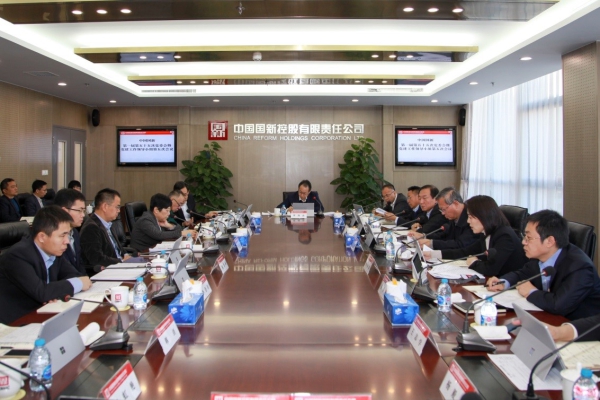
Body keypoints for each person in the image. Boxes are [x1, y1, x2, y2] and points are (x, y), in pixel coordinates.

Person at [487, 210, 600, 320]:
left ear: (549, 241)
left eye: (529, 238)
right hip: (546, 316)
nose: (523, 242)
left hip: (575, 326)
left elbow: (558, 305)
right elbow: (521, 274)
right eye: (524, 236)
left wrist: (531, 292)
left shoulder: (580, 268)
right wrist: (504, 282)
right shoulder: (539, 256)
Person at [0, 206, 92, 324]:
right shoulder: (17, 256)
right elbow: (42, 292)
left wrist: (55, 293)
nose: (67, 241)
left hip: (45, 313)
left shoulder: (54, 252)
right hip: (16, 322)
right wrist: (53, 292)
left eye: (68, 235)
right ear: (42, 237)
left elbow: (74, 275)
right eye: (62, 235)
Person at [427, 195, 526, 277]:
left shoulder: (504, 236)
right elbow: (465, 252)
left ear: (484, 216)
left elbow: (491, 269)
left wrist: (474, 263)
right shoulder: (486, 233)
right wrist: (432, 254)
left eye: (471, 217)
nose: (468, 221)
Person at [80, 188, 131, 275]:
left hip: (120, 268)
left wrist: (126, 255)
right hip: (109, 272)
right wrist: (121, 261)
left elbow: (118, 249)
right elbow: (97, 259)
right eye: (117, 207)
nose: (119, 210)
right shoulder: (91, 228)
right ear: (105, 207)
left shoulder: (108, 224)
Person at [412, 187, 481, 250]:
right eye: (441, 210)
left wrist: (432, 244)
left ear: (456, 204)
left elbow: (460, 244)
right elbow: (444, 235)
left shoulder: (471, 219)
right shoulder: (453, 216)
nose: (442, 213)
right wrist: (424, 236)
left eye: (444, 209)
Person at [130, 193, 197, 252]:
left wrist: (169, 225)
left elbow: (179, 229)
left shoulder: (158, 218)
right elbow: (159, 235)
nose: (169, 214)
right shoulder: (145, 220)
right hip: (142, 254)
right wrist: (181, 233)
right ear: (156, 210)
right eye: (167, 210)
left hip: (154, 250)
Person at [53, 189, 87, 275]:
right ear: (64, 211)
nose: (83, 215)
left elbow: (79, 263)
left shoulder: (75, 232)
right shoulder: (53, 236)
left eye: (84, 211)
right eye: (79, 210)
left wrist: (85, 278)